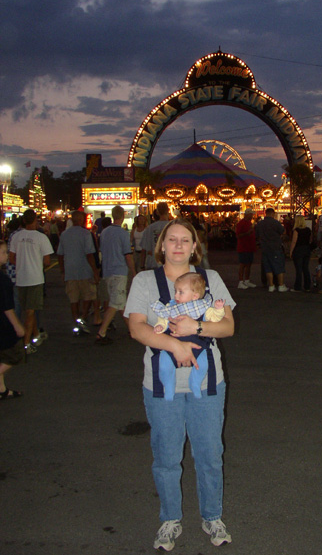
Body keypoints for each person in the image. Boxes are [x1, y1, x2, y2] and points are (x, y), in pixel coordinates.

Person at [125, 218, 235, 551]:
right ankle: (170, 519)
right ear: (161, 246)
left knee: (210, 454)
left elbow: (227, 326)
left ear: (194, 246)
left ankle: (212, 516)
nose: (177, 245)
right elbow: (136, 327)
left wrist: (196, 328)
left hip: (208, 382)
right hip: (161, 384)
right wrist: (175, 344)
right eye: (171, 239)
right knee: (166, 456)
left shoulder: (210, 279)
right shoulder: (145, 281)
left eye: (184, 240)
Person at [151, 271, 225, 400]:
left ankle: (195, 383)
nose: (175, 295)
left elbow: (214, 318)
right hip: (170, 347)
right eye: (175, 291)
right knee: (163, 366)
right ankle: (168, 385)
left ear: (195, 296)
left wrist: (219, 309)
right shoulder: (172, 307)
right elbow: (163, 319)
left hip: (198, 347)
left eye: (181, 292)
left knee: (202, 365)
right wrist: (160, 326)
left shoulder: (203, 308)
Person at [9, 209, 53, 352]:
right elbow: (47, 261)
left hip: (21, 278)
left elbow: (11, 258)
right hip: (35, 278)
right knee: (30, 311)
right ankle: (26, 344)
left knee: (28, 310)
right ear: (35, 220)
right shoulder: (41, 238)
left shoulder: (16, 237)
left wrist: (22, 263)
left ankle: (35, 334)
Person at [95, 205, 136, 344]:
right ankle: (102, 332)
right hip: (119, 270)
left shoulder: (105, 232)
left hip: (107, 270)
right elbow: (127, 255)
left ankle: (132, 329)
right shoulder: (123, 234)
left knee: (119, 301)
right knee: (115, 302)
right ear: (123, 216)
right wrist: (134, 271)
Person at [57, 210, 101, 334]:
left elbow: (60, 254)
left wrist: (62, 271)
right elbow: (89, 254)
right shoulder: (86, 234)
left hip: (70, 270)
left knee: (73, 299)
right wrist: (95, 271)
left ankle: (76, 322)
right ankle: (83, 318)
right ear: (81, 220)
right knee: (88, 295)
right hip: (85, 270)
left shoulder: (65, 234)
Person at [0, 240, 25, 400]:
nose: (7, 255)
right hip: (3, 324)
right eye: (3, 252)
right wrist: (18, 327)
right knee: (15, 354)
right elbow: (7, 307)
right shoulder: (3, 280)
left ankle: (1, 390)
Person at [255, 208, 289, 292]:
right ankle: (280, 285)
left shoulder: (260, 224)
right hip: (275, 247)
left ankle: (271, 285)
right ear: (272, 214)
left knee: (268, 267)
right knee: (279, 266)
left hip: (265, 248)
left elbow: (256, 235)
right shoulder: (275, 223)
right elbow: (282, 231)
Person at [141, 202, 171, 270]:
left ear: (157, 212)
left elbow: (144, 249)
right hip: (169, 263)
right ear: (168, 211)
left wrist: (142, 265)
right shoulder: (173, 227)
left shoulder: (150, 228)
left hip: (153, 263)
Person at [235, 208, 257, 289]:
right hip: (243, 247)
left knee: (248, 264)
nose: (252, 216)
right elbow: (238, 235)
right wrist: (247, 233)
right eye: (251, 214)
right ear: (247, 214)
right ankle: (241, 281)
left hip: (249, 246)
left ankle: (247, 280)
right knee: (243, 264)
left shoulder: (249, 223)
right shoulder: (241, 223)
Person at [289, 215, 312, 292]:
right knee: (305, 268)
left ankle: (298, 286)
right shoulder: (308, 230)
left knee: (298, 269)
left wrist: (291, 251)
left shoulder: (296, 230)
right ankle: (307, 286)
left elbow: (294, 242)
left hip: (298, 250)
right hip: (306, 249)